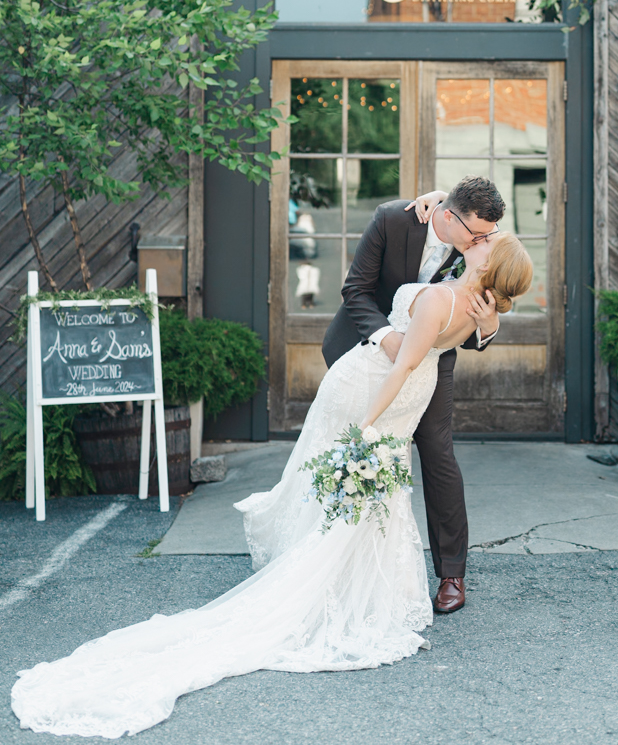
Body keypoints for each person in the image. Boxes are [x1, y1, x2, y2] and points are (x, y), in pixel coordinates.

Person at [11, 232, 533, 740]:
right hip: (404, 398)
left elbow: (405, 363)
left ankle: (314, 583)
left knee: (345, 488)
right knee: (370, 497)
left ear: (487, 265)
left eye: (489, 243)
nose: (483, 239)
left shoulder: (444, 296)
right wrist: (483, 328)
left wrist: (369, 423)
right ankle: (358, 591)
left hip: (373, 391)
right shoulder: (476, 311)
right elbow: (439, 343)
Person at [322, 175, 504, 614]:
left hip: (430, 362)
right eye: (476, 233)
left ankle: (452, 575)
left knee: (438, 454)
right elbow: (356, 290)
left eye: (488, 234)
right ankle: (336, 558)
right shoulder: (392, 219)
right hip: (366, 350)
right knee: (356, 451)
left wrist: (489, 329)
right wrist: (386, 339)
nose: (484, 241)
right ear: (447, 217)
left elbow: (483, 312)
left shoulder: (478, 243)